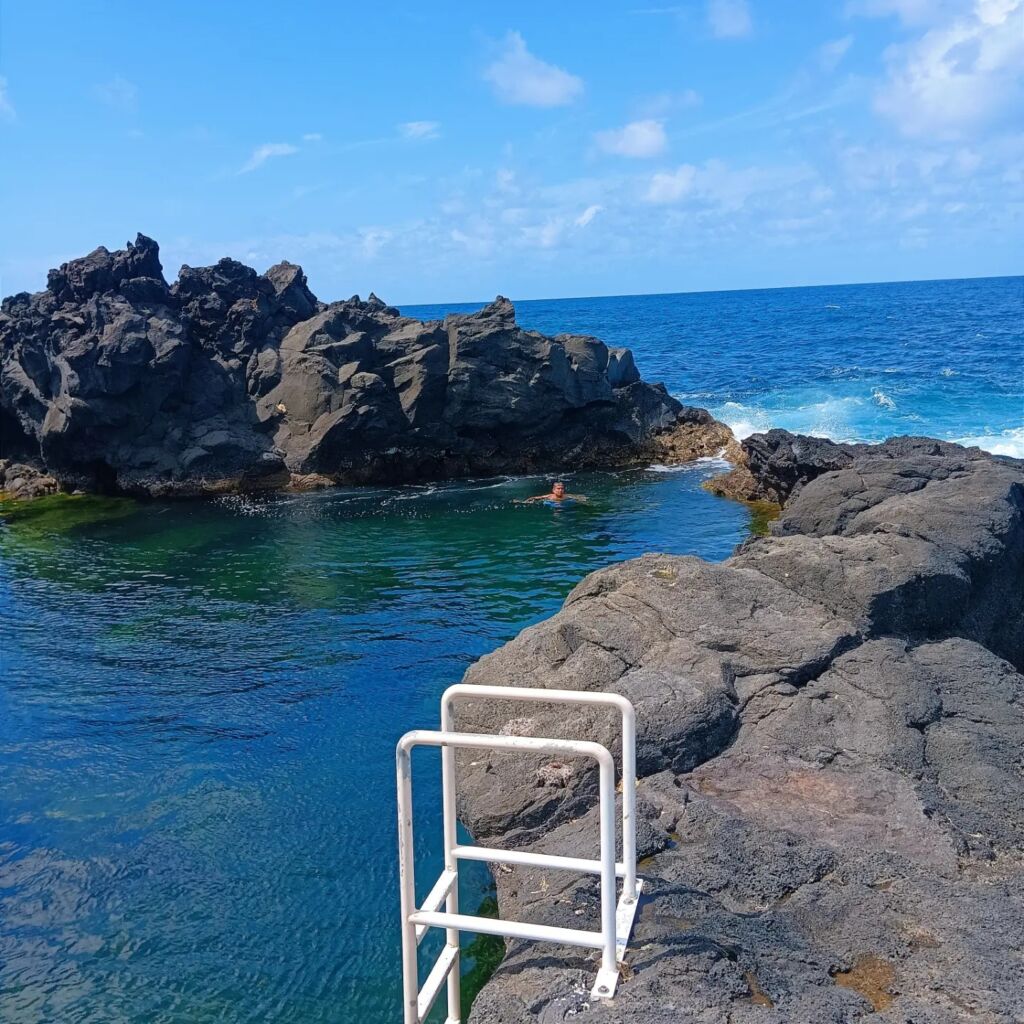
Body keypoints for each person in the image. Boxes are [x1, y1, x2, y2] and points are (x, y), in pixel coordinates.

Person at [521, 480, 587, 504]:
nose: (560, 490)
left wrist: (583, 499)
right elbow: (535, 498)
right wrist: (525, 501)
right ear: (553, 490)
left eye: (562, 489)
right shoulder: (549, 496)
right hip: (553, 504)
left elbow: (578, 497)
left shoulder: (566, 496)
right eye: (558, 489)